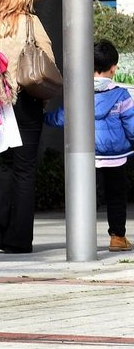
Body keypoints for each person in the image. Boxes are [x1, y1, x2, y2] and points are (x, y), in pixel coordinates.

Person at [0, 0, 55, 254]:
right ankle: (18, 238)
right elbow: (47, 59)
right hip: (25, 100)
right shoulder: (30, 22)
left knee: (7, 162)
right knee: (25, 170)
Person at [45, 40, 133, 252]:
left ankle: (82, 239)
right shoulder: (121, 95)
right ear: (113, 68)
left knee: (86, 195)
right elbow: (131, 124)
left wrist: (43, 118)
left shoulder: (78, 93)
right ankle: (117, 237)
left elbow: (61, 118)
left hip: (87, 156)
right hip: (116, 156)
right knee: (116, 196)